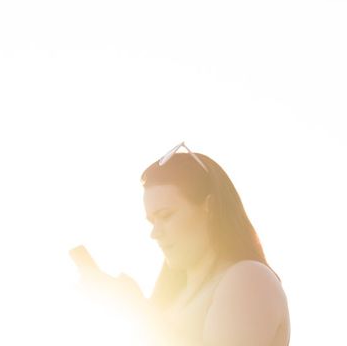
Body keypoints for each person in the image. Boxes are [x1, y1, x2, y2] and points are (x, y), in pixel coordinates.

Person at [76, 142, 290, 346]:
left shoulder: (248, 278)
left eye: (166, 216)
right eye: (152, 221)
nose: (155, 233)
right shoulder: (173, 297)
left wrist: (137, 310)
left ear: (210, 207)